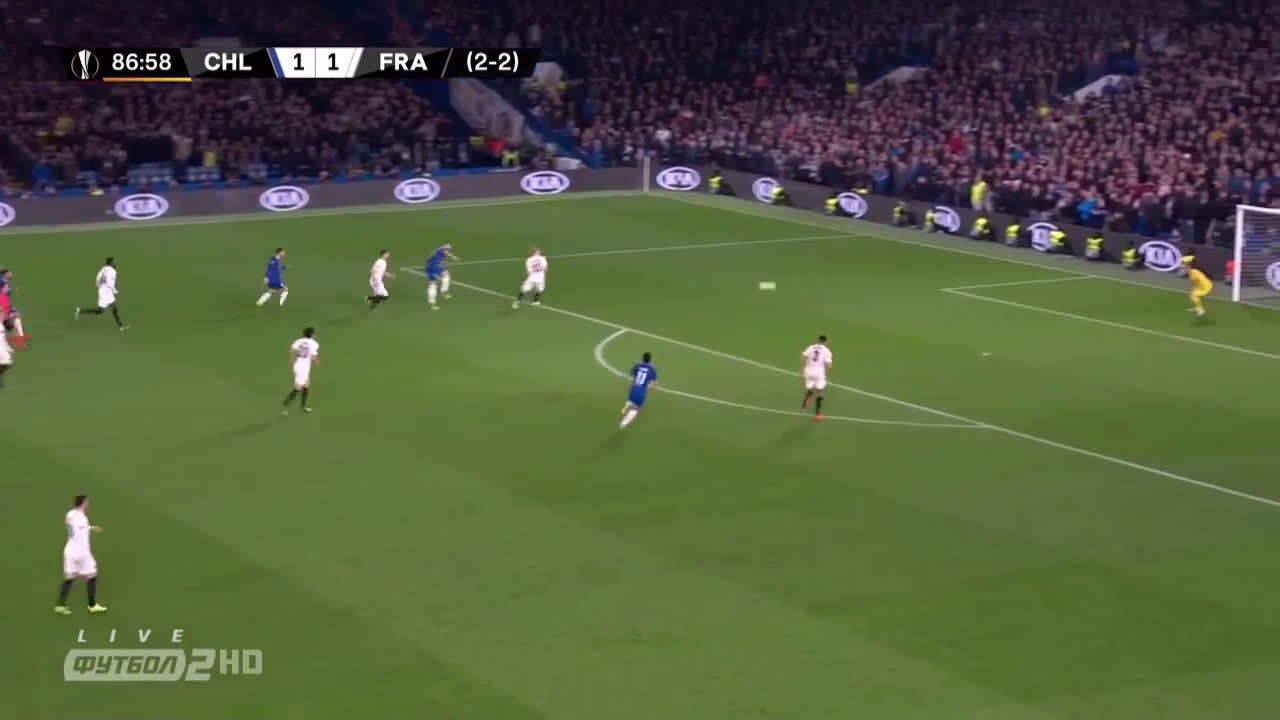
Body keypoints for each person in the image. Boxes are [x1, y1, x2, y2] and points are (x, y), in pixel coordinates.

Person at [55, 495, 106, 615]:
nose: (88, 504)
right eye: (87, 502)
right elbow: (80, 533)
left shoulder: (70, 514)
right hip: (81, 552)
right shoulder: (82, 519)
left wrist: (90, 528)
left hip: (69, 550)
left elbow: (74, 527)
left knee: (70, 577)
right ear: (84, 503)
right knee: (92, 574)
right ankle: (92, 605)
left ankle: (60, 606)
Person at [75, 257, 128, 331]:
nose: (115, 263)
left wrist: (98, 286)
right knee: (100, 311)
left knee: (114, 307)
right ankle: (80, 311)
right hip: (106, 291)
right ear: (111, 263)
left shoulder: (104, 268)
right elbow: (109, 282)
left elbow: (98, 276)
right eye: (114, 262)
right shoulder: (112, 271)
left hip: (103, 290)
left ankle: (120, 326)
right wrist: (115, 291)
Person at [283, 326, 318, 415]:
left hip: (298, 365)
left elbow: (292, 350)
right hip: (303, 368)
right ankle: (286, 404)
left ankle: (303, 406)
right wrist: (316, 361)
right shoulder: (314, 344)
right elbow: (314, 358)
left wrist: (292, 363)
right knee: (298, 388)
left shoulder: (298, 341)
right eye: (314, 333)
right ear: (312, 335)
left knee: (306, 385)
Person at [619, 352, 658, 429]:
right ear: (650, 360)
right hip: (641, 392)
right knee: (636, 409)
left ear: (642, 358)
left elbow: (629, 376)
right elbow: (654, 384)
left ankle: (626, 407)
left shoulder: (637, 365)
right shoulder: (652, 369)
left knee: (630, 402)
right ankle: (624, 423)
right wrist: (652, 387)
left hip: (633, 388)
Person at [801, 335, 833, 421]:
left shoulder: (811, 347)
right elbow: (828, 365)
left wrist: (802, 369)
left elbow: (803, 357)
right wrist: (826, 374)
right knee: (820, 391)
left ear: (818, 340)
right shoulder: (827, 351)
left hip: (808, 371)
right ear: (826, 342)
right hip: (818, 373)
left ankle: (808, 396)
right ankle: (818, 414)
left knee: (810, 387)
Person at [425, 243, 459, 310]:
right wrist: (440, 279)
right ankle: (432, 304)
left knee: (445, 275)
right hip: (433, 268)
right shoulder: (440, 257)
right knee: (433, 284)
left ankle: (443, 292)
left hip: (430, 266)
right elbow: (446, 254)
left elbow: (429, 260)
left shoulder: (438, 252)